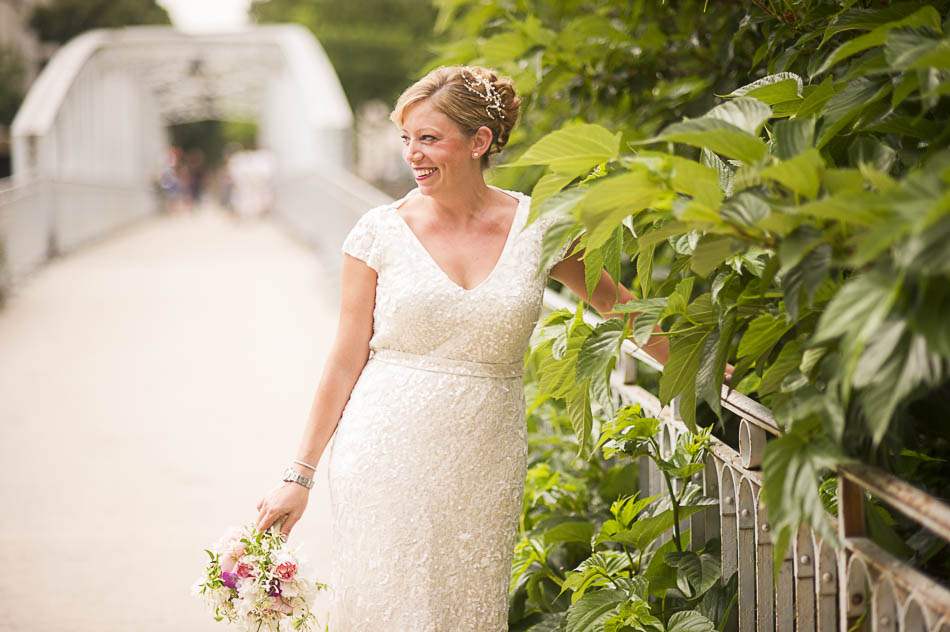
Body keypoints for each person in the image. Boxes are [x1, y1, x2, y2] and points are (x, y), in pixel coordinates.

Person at [256, 65, 669, 630]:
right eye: (406, 138)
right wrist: (298, 476)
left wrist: (710, 371)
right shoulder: (378, 232)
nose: (412, 155)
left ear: (480, 142)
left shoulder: (539, 225)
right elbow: (345, 357)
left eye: (428, 138)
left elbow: (618, 305)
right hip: (382, 453)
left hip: (484, 458)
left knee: (467, 610)